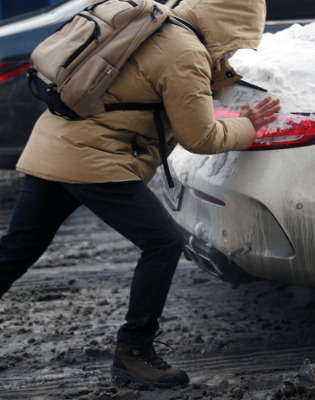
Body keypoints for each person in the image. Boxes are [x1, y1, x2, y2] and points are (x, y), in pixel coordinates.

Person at [0, 0, 280, 389]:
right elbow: (200, 136)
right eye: (236, 41)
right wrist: (248, 127)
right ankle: (134, 352)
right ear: (228, 24)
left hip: (53, 145)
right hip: (95, 161)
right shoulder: (185, 53)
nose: (234, 50)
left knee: (17, 247)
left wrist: (217, 74)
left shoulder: (159, 24)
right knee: (165, 243)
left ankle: (133, 350)